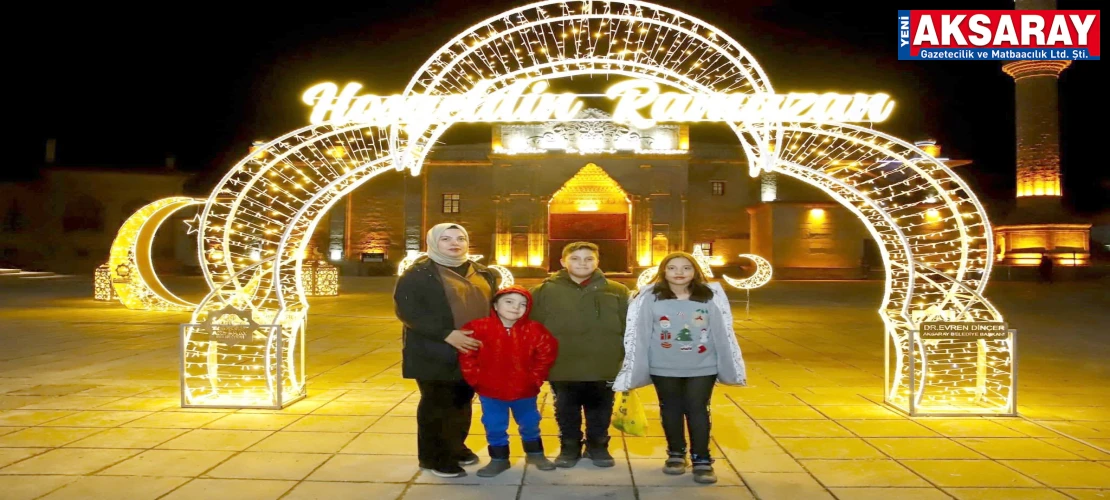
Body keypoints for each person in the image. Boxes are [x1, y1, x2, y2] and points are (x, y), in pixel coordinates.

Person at [613, 251, 747, 484]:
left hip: (703, 366)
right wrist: (634, 365)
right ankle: (676, 454)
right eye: (673, 268)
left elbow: (722, 332)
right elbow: (641, 332)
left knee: (697, 408)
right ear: (663, 271)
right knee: (670, 409)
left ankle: (701, 459)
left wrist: (729, 363)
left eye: (686, 268)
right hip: (663, 365)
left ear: (695, 271)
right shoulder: (651, 297)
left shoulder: (709, 296)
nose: (679, 273)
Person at [394, 223, 496, 478]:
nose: (455, 243)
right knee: (437, 403)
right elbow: (408, 312)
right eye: (446, 239)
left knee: (462, 401)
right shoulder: (418, 274)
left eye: (460, 238)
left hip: (474, 351)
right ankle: (434, 457)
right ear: (433, 243)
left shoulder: (483, 272)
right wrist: (447, 334)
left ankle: (455, 447)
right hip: (434, 349)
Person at [530, 242, 631, 468]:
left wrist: (627, 358)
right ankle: (569, 447)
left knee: (601, 407)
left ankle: (598, 446)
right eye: (575, 259)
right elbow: (532, 327)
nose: (582, 263)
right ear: (563, 262)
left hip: (603, 363)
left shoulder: (616, 290)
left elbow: (628, 327)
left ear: (597, 262)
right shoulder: (544, 291)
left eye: (589, 259)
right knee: (566, 408)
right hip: (562, 364)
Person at [459, 286, 559, 477]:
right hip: (491, 390)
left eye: (522, 304)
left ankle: (535, 453)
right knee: (494, 423)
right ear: (495, 305)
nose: (515, 308)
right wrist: (476, 379)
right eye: (509, 302)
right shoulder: (478, 328)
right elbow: (467, 354)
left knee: (530, 421)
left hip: (524, 389)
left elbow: (547, 354)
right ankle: (499, 459)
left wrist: (535, 378)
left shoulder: (534, 330)